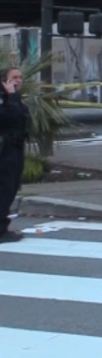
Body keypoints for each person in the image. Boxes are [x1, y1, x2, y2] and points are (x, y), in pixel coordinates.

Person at [0, 66, 30, 244]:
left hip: (15, 149)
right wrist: (12, 96)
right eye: (14, 78)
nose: (18, 81)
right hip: (5, 151)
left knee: (10, 189)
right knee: (4, 189)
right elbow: (10, 117)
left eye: (20, 77)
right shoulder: (6, 99)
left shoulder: (13, 98)